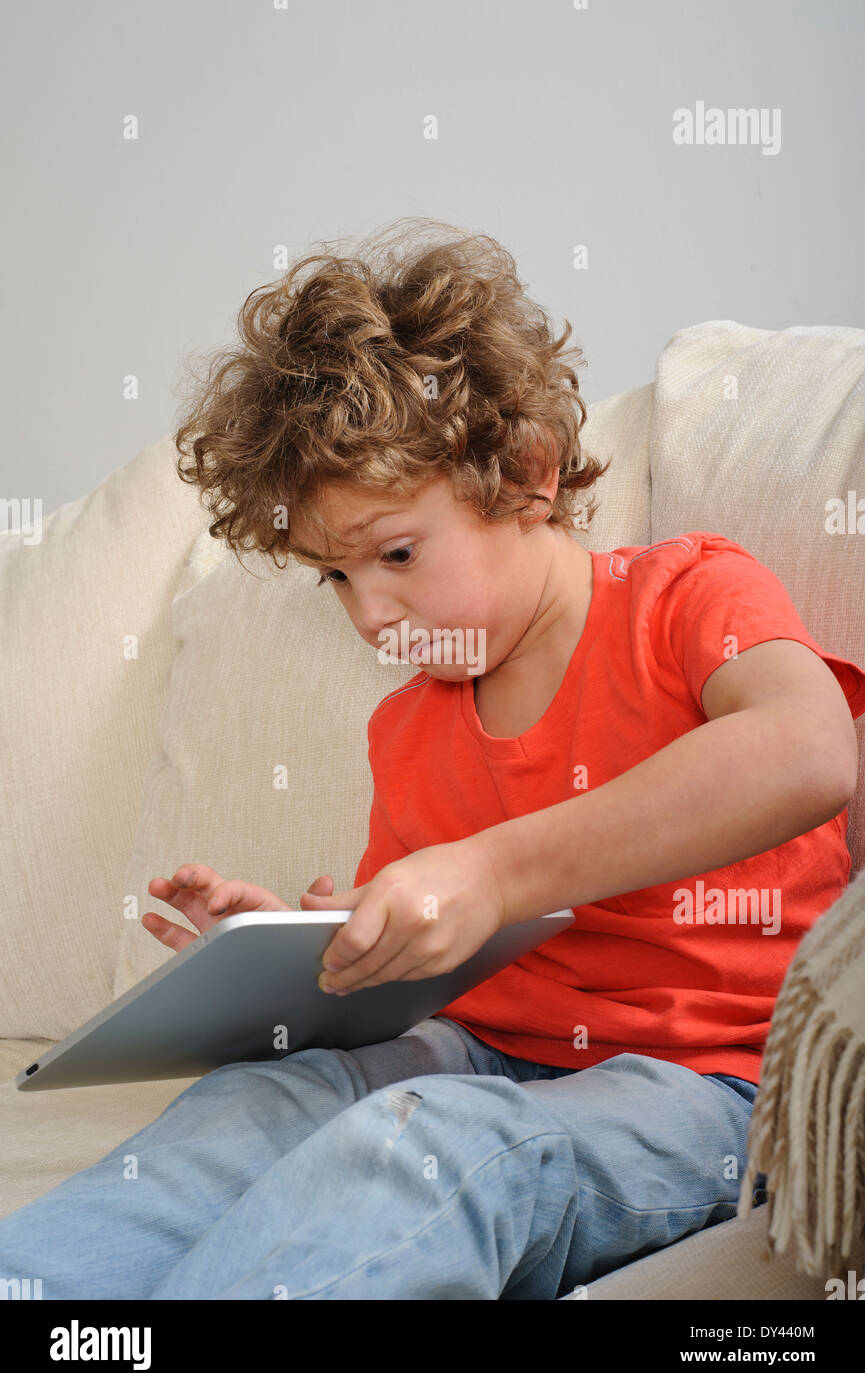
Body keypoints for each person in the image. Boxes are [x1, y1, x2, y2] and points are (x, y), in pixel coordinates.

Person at [2, 218, 864, 1300]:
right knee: (253, 1108)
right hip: (478, 1049)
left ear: (529, 474)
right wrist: (312, 948)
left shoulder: (687, 597)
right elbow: (433, 963)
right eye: (335, 577)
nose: (370, 611)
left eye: (396, 554)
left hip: (703, 1084)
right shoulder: (408, 726)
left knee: (430, 1142)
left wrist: (491, 869)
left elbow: (807, 749)